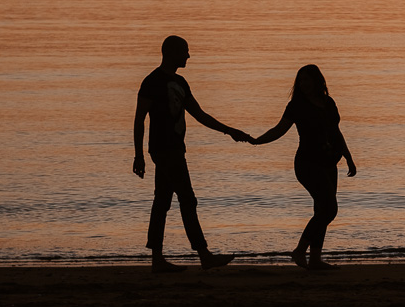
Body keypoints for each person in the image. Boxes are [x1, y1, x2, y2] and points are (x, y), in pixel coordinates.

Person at [133, 35, 249, 273]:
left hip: (176, 148)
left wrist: (229, 131)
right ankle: (204, 255)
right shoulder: (152, 82)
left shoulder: (181, 82)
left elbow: (200, 114)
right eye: (184, 51)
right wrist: (139, 155)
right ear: (171, 53)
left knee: (162, 201)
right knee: (187, 199)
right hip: (163, 150)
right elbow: (139, 120)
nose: (188, 55)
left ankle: (157, 260)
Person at [250, 64, 357, 270]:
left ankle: (315, 259)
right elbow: (279, 129)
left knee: (321, 210)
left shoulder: (328, 102)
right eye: (300, 80)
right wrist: (257, 141)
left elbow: (336, 132)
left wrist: (349, 157)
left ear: (317, 81)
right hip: (307, 163)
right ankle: (300, 250)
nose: (303, 84)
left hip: (329, 163)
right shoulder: (296, 105)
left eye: (307, 79)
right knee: (329, 209)